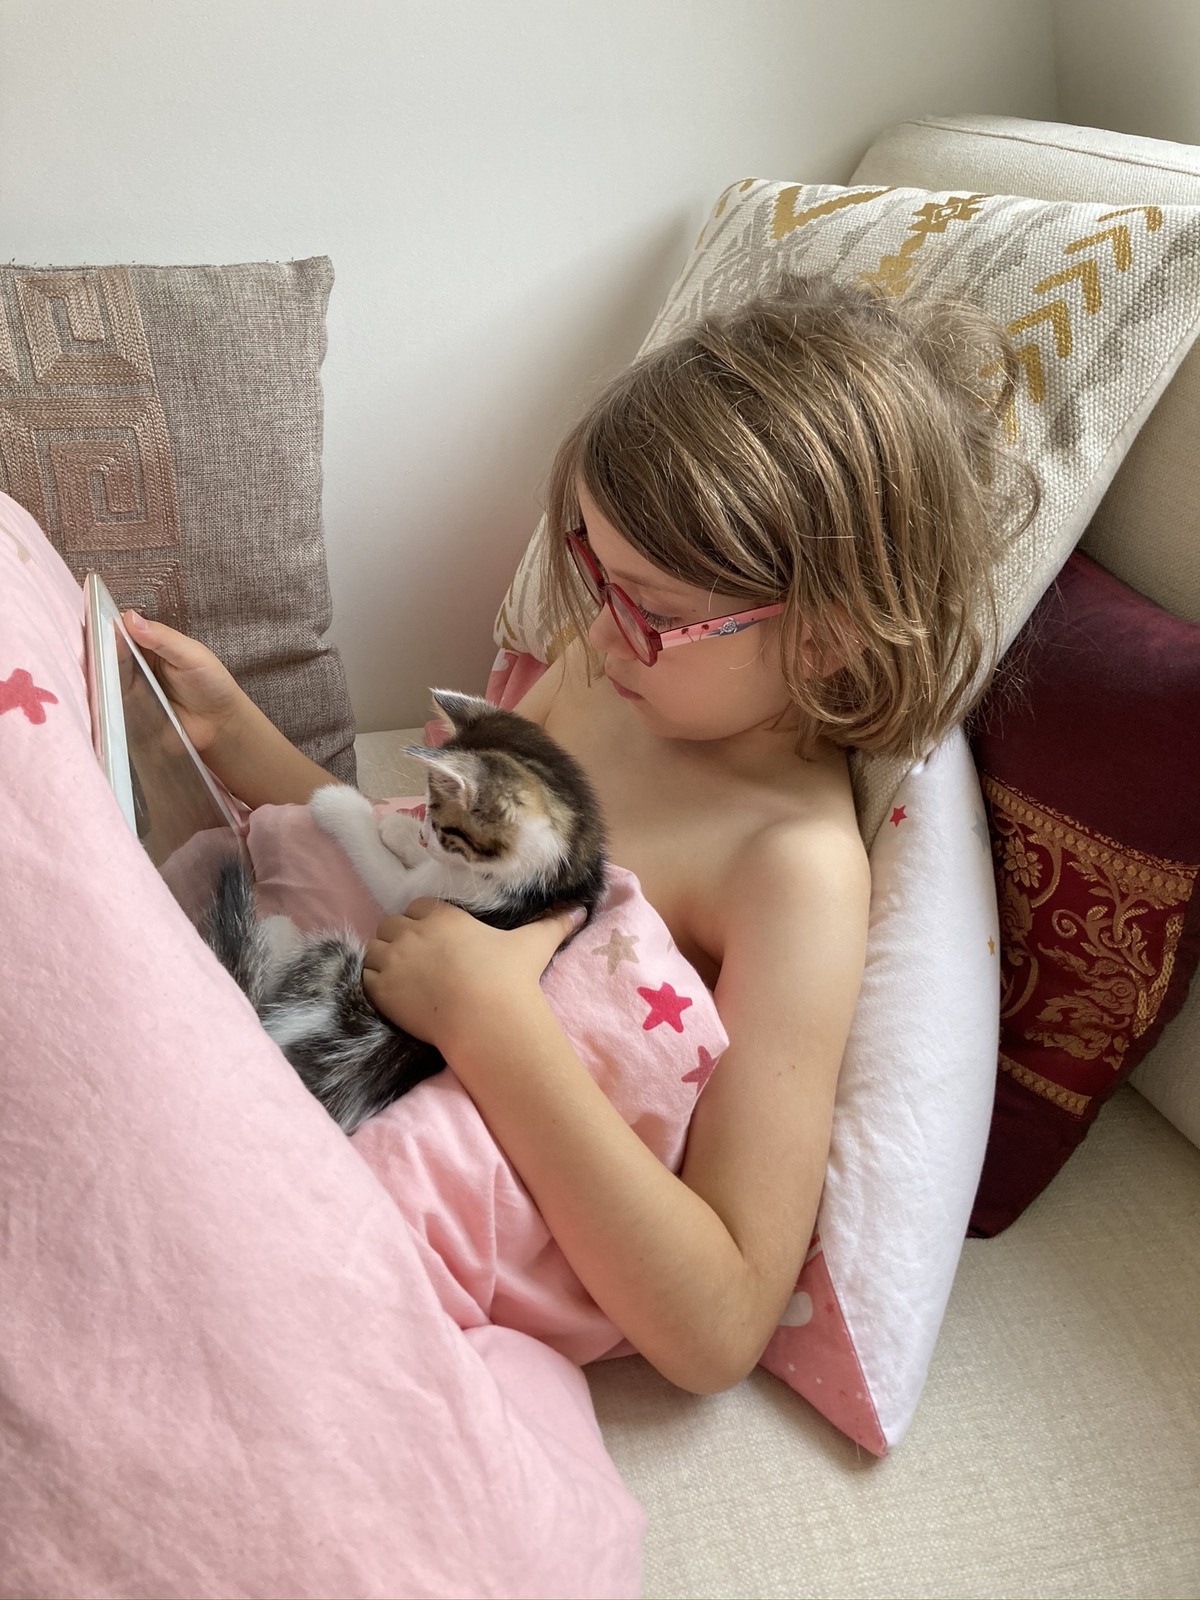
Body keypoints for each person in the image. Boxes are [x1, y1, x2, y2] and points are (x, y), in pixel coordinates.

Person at [124, 274, 1037, 1398]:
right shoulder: (607, 676)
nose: (601, 631)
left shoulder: (791, 871)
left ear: (825, 637)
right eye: (598, 571)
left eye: (655, 610)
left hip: (397, 1175)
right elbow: (421, 876)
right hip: (322, 1041)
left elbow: (722, 1323)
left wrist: (493, 1021)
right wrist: (228, 734)